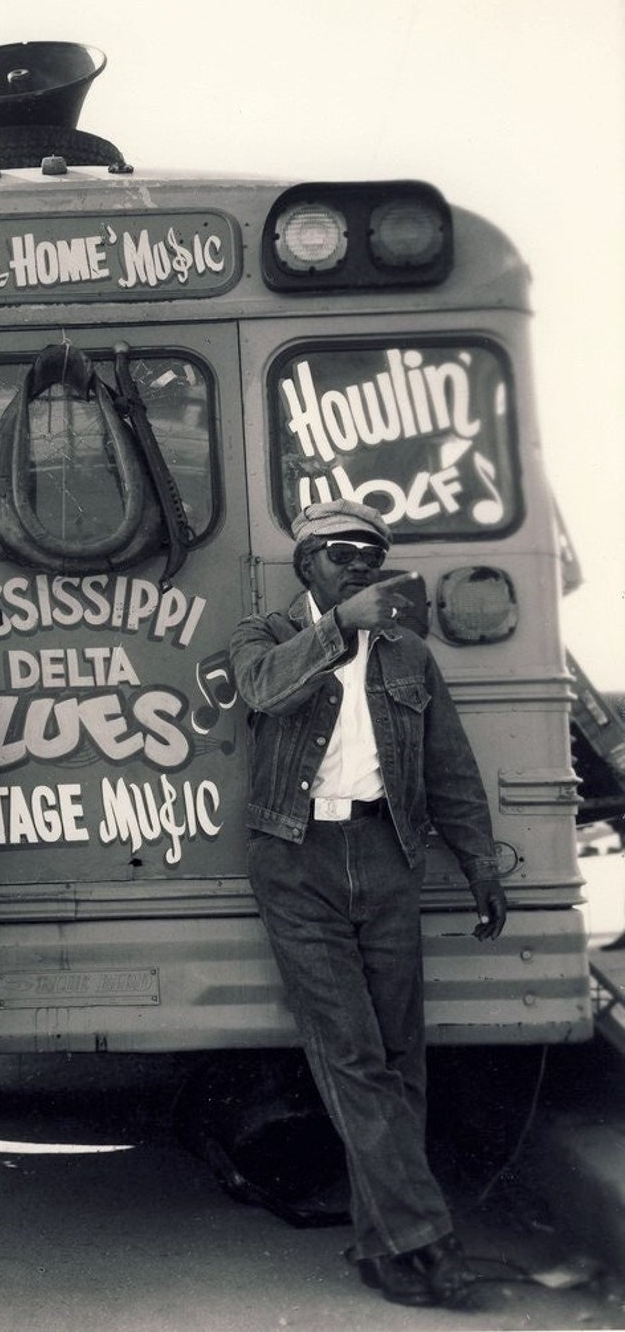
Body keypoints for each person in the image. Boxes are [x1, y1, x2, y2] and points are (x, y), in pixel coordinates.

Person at [229, 498, 507, 1310]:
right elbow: (264, 690)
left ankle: (385, 1248)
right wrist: (335, 630)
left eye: (370, 555)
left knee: (398, 1054)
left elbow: (450, 766)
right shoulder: (265, 637)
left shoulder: (409, 654)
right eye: (342, 552)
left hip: (387, 853)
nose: (359, 565)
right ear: (306, 563)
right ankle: (430, 1239)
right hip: (294, 855)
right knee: (350, 1052)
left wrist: (480, 862)